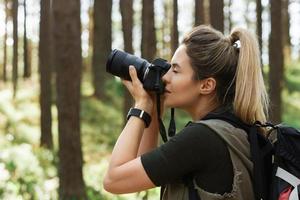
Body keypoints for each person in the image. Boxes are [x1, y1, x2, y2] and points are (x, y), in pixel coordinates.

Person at [103, 25, 269, 200]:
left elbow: (114, 180)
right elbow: (138, 171)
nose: (166, 77)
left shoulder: (202, 138)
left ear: (206, 85)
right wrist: (153, 108)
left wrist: (141, 106)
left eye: (175, 70)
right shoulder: (234, 130)